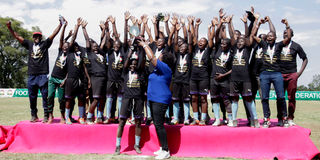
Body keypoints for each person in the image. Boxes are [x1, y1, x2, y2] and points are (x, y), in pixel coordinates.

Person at [6, 17, 62, 123]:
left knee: (45, 97)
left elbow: (53, 34)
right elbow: (18, 37)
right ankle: (34, 115)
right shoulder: (29, 44)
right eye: (35, 36)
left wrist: (60, 25)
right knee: (32, 97)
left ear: (41, 38)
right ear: (33, 38)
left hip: (42, 75)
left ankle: (46, 115)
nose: (36, 37)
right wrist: (10, 28)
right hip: (32, 75)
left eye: (38, 36)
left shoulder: (45, 44)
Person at [138, 38, 174, 159]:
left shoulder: (165, 68)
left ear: (164, 60)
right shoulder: (158, 69)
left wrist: (144, 45)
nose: (158, 56)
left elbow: (152, 58)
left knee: (159, 125)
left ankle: (166, 150)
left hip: (160, 100)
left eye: (160, 55)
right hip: (153, 99)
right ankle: (161, 148)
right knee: (157, 124)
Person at [253, 17, 292, 128]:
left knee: (280, 97)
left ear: (275, 37)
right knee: (264, 97)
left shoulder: (279, 45)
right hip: (264, 74)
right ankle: (266, 119)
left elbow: (288, 37)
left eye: (271, 36)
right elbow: (253, 36)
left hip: (276, 74)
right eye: (268, 36)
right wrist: (258, 24)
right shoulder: (263, 45)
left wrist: (287, 24)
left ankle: (284, 118)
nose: (269, 37)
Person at [228, 14, 260, 127]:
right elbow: (232, 34)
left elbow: (249, 35)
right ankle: (234, 120)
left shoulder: (247, 48)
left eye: (242, 41)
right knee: (234, 100)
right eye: (238, 41)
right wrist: (229, 22)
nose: (240, 42)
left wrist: (246, 23)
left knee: (249, 99)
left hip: (246, 79)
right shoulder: (234, 47)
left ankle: (254, 119)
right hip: (234, 79)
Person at [114, 47, 145, 155]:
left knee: (138, 123)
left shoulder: (140, 73)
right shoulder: (125, 73)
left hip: (138, 99)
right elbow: (126, 64)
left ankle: (137, 145)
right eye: (131, 64)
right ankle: (118, 146)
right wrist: (130, 53)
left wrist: (141, 48)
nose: (133, 65)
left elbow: (141, 62)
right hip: (126, 98)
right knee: (122, 122)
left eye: (135, 64)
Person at [47, 17, 74, 124]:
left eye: (66, 46)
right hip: (53, 78)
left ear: (69, 48)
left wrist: (65, 80)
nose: (64, 47)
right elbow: (61, 38)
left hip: (62, 80)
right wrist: (64, 26)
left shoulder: (70, 57)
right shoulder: (59, 52)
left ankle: (62, 116)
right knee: (50, 96)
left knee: (61, 99)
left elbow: (69, 71)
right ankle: (50, 115)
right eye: (63, 45)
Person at [279, 28, 308, 126]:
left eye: (287, 33)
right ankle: (281, 118)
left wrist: (298, 73)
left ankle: (290, 118)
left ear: (292, 35)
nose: (285, 34)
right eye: (283, 33)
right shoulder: (279, 45)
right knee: (280, 97)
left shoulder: (296, 46)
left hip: (292, 74)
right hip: (280, 75)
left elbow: (305, 59)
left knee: (291, 98)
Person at [63, 19, 90, 125]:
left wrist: (88, 80)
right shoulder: (69, 54)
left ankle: (81, 117)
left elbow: (84, 68)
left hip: (80, 80)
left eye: (77, 46)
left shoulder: (81, 56)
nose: (76, 47)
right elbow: (73, 38)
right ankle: (67, 118)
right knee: (69, 99)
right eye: (74, 46)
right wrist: (77, 27)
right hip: (71, 79)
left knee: (81, 99)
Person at [188, 17, 213, 126]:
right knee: (194, 98)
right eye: (199, 41)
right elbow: (194, 37)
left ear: (206, 44)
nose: (200, 42)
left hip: (204, 78)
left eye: (203, 41)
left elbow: (211, 40)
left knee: (203, 98)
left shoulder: (208, 51)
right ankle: (196, 118)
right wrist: (196, 25)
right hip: (193, 78)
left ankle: (203, 118)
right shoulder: (194, 50)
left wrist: (210, 28)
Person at [210, 14, 234, 127]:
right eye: (222, 43)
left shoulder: (232, 53)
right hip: (214, 79)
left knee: (226, 100)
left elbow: (234, 68)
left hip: (225, 80)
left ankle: (230, 119)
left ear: (229, 45)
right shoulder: (218, 48)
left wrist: (223, 75)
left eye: (225, 44)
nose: (223, 45)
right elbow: (216, 35)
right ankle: (217, 119)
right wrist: (220, 23)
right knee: (214, 99)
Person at [83, 20, 108, 125]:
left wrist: (106, 30)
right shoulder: (90, 53)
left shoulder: (101, 54)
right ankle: (89, 117)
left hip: (104, 77)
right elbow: (87, 40)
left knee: (103, 98)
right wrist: (84, 28)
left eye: (96, 46)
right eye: (94, 46)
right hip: (96, 78)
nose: (96, 47)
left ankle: (99, 117)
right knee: (96, 98)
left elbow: (103, 42)